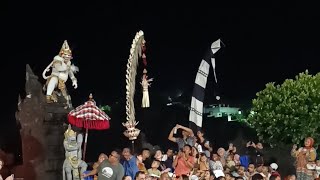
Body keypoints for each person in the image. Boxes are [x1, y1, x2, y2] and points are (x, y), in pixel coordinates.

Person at [42, 40, 79, 105]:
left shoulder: (68, 63)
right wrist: (69, 67)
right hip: (54, 78)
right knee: (54, 80)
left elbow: (70, 72)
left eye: (69, 55)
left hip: (62, 83)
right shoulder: (57, 60)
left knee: (65, 97)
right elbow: (59, 68)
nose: (67, 57)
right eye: (66, 55)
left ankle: (66, 104)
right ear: (62, 54)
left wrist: (74, 80)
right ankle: (48, 96)